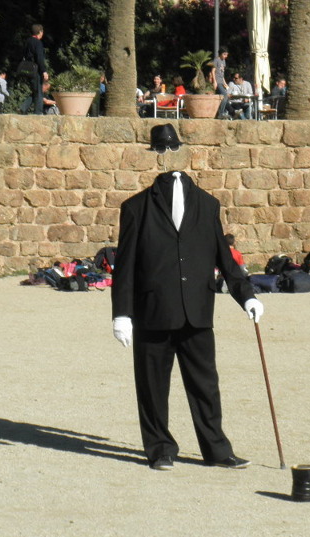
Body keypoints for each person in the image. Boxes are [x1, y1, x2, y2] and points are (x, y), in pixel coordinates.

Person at [111, 123, 263, 471]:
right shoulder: (135, 208)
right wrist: (122, 314)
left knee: (205, 385)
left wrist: (247, 296)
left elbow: (225, 260)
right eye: (161, 152)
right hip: (153, 310)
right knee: (152, 387)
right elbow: (125, 265)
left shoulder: (208, 205)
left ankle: (216, 449)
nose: (166, 158)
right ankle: (160, 448)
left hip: (197, 311)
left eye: (170, 151)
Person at [23, 23, 48, 115]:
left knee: (35, 90)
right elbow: (39, 58)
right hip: (36, 69)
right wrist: (44, 71)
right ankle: (38, 112)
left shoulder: (28, 41)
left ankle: (23, 108)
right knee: (39, 92)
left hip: (28, 69)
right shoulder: (37, 42)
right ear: (40, 32)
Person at [210, 47, 230, 117]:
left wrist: (225, 83)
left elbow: (222, 73)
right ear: (221, 54)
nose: (225, 56)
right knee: (225, 95)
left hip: (221, 81)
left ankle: (229, 112)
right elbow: (213, 71)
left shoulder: (223, 61)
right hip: (217, 81)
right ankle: (221, 113)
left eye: (226, 55)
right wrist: (214, 82)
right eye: (224, 54)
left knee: (224, 98)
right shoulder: (216, 60)